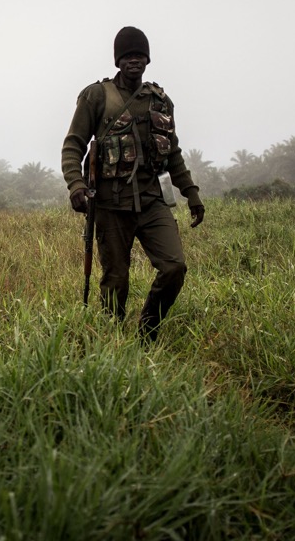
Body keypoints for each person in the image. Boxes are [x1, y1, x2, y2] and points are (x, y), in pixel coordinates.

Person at [61, 26, 204, 343]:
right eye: (127, 56)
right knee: (115, 281)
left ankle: (147, 332)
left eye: (139, 55)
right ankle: (111, 342)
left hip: (152, 202)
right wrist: (76, 185)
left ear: (148, 59)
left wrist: (191, 194)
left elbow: (173, 153)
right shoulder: (97, 96)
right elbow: (73, 145)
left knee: (174, 267)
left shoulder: (160, 101)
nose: (134, 61)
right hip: (111, 204)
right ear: (118, 60)